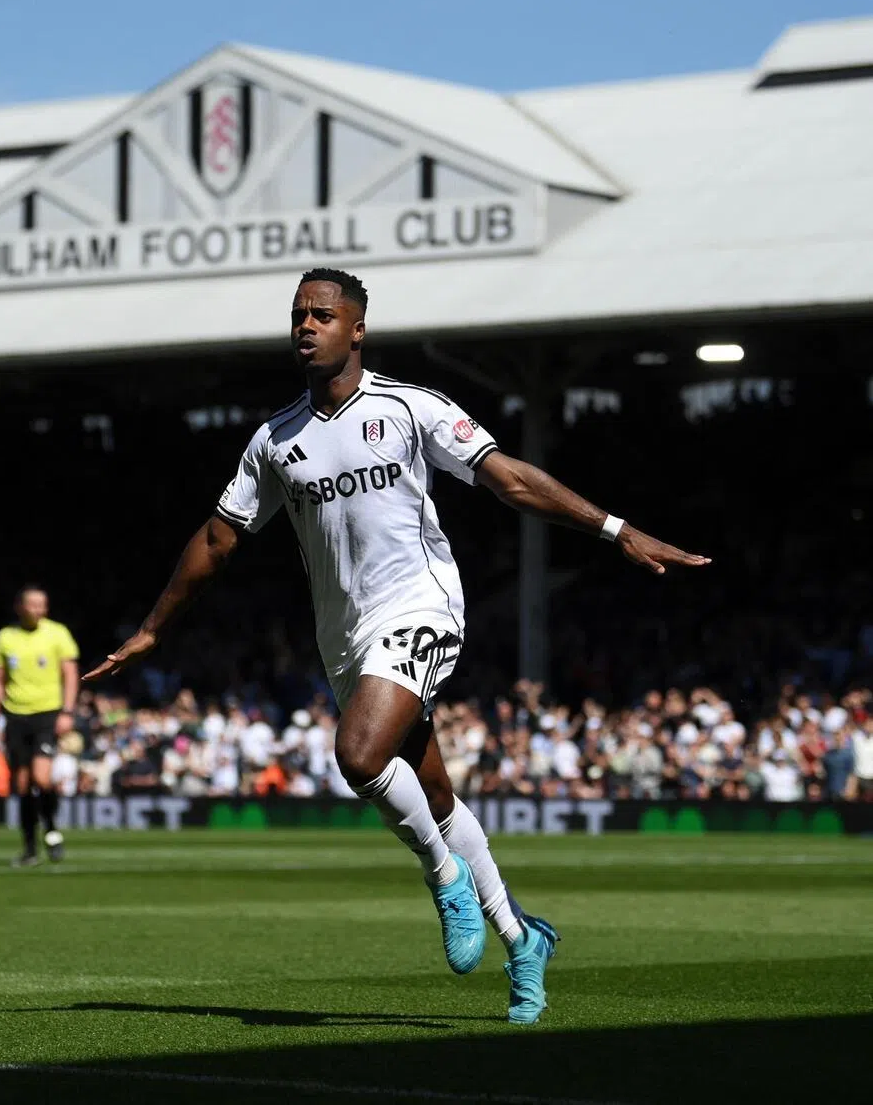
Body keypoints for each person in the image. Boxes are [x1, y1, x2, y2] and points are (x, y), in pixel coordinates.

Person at [84, 267, 710, 1023]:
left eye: (322, 314)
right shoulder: (275, 439)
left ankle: (443, 879)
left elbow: (507, 479)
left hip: (420, 608)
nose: (305, 327)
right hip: (344, 640)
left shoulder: (411, 409)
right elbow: (220, 538)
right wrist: (155, 627)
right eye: (297, 316)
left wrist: (615, 529)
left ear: (357, 329)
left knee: (357, 754)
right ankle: (523, 939)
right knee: (435, 793)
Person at [0, 587, 79, 865]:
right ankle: (29, 847)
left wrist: (68, 711)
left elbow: (70, 674)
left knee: (41, 777)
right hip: (15, 716)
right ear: (20, 606)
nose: (39, 610)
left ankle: (50, 829)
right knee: (23, 785)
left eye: (43, 605)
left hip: (47, 714)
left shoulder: (57, 633)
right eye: (33, 604)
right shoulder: (6, 636)